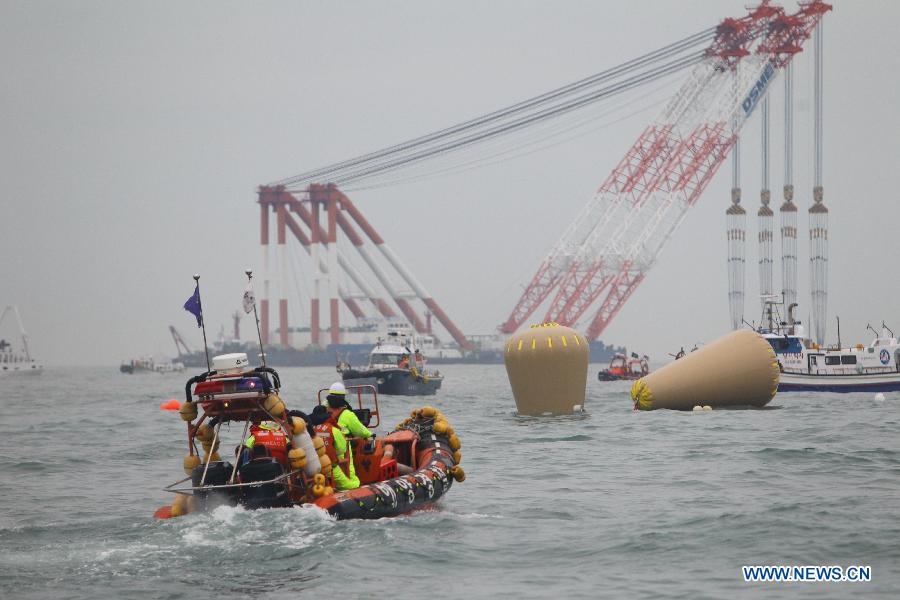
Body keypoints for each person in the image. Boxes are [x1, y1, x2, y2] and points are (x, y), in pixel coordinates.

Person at [310, 403, 360, 491]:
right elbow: (342, 449)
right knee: (351, 486)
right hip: (329, 466)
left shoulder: (310, 429)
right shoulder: (333, 429)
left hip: (312, 467)